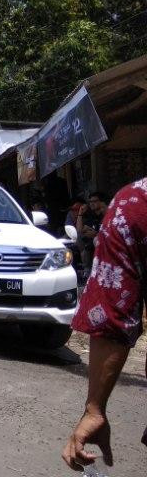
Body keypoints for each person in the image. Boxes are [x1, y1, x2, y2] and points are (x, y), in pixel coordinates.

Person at [62, 178, 146, 472]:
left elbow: (112, 316)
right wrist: (94, 408)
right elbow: (112, 318)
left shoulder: (134, 203)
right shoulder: (134, 206)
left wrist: (95, 408)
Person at [76, 192, 109, 269]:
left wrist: (96, 234)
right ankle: (87, 271)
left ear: (101, 202)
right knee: (80, 238)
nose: (91, 204)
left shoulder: (106, 214)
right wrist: (80, 213)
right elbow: (79, 230)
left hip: (104, 242)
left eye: (94, 201)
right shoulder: (91, 216)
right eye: (90, 202)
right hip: (91, 245)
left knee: (95, 240)